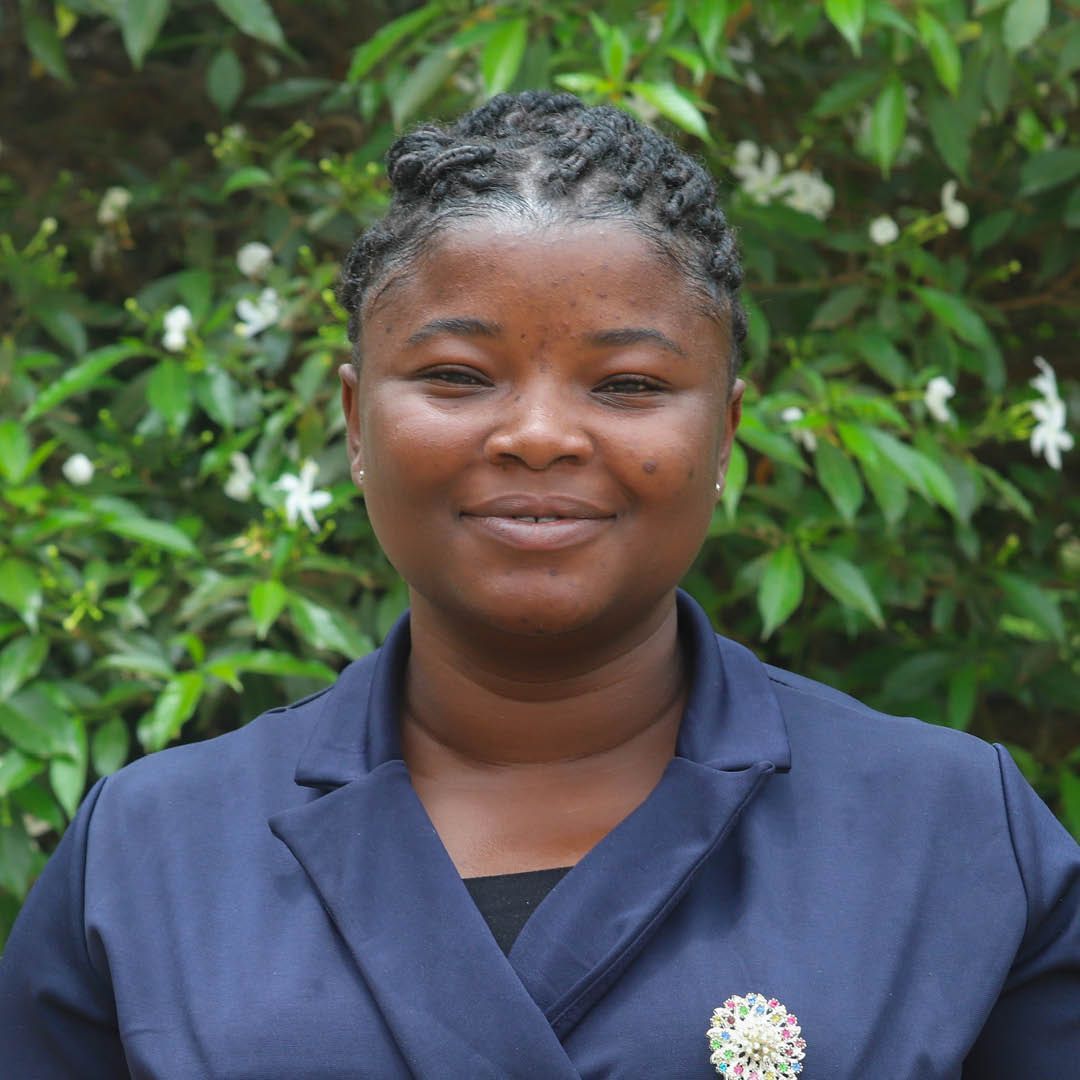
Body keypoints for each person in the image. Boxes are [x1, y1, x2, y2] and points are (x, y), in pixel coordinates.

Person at [1, 90, 1077, 1078]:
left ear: (726, 432)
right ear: (353, 422)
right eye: (458, 376)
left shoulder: (954, 835)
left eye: (629, 384)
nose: (540, 436)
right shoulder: (151, 854)